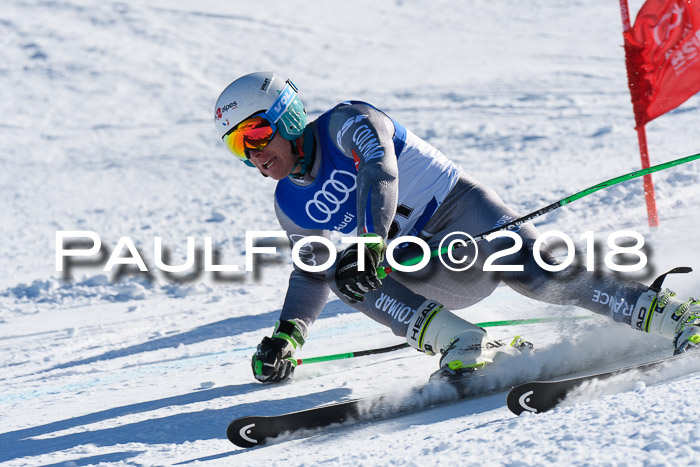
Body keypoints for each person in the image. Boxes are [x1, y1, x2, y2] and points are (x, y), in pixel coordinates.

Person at [213, 71, 700, 383]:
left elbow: (377, 172)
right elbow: (308, 271)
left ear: (289, 116)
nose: (253, 153)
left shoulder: (348, 122)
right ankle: (465, 344)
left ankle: (672, 315)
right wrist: (287, 335)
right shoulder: (289, 202)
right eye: (238, 145)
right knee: (343, 274)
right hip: (424, 268)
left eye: (256, 132)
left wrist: (367, 241)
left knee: (540, 277)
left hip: (465, 219)